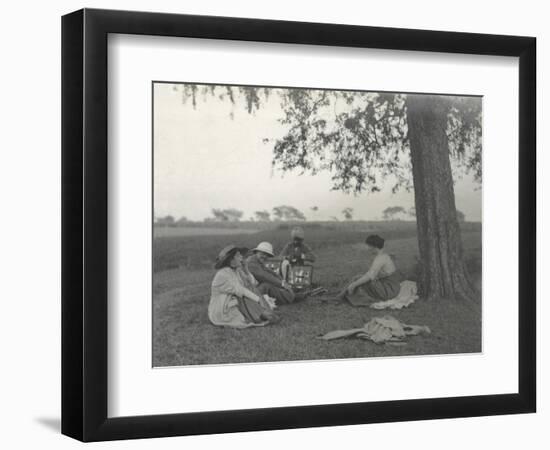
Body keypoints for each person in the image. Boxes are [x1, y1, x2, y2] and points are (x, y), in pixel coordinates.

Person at [208, 244, 279, 328]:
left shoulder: (236, 270)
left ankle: (265, 312)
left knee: (250, 288)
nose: (241, 257)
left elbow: (253, 283)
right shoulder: (223, 273)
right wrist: (258, 299)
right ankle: (262, 315)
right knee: (244, 295)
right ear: (231, 260)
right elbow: (240, 290)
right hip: (223, 308)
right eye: (238, 256)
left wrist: (246, 268)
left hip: (235, 300)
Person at [341, 234, 401, 306]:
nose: (368, 248)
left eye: (369, 246)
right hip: (393, 286)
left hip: (389, 289)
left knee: (359, 280)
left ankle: (344, 294)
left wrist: (353, 285)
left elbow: (369, 276)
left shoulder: (380, 259)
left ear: (374, 246)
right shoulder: (384, 255)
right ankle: (343, 294)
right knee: (358, 278)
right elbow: (374, 274)